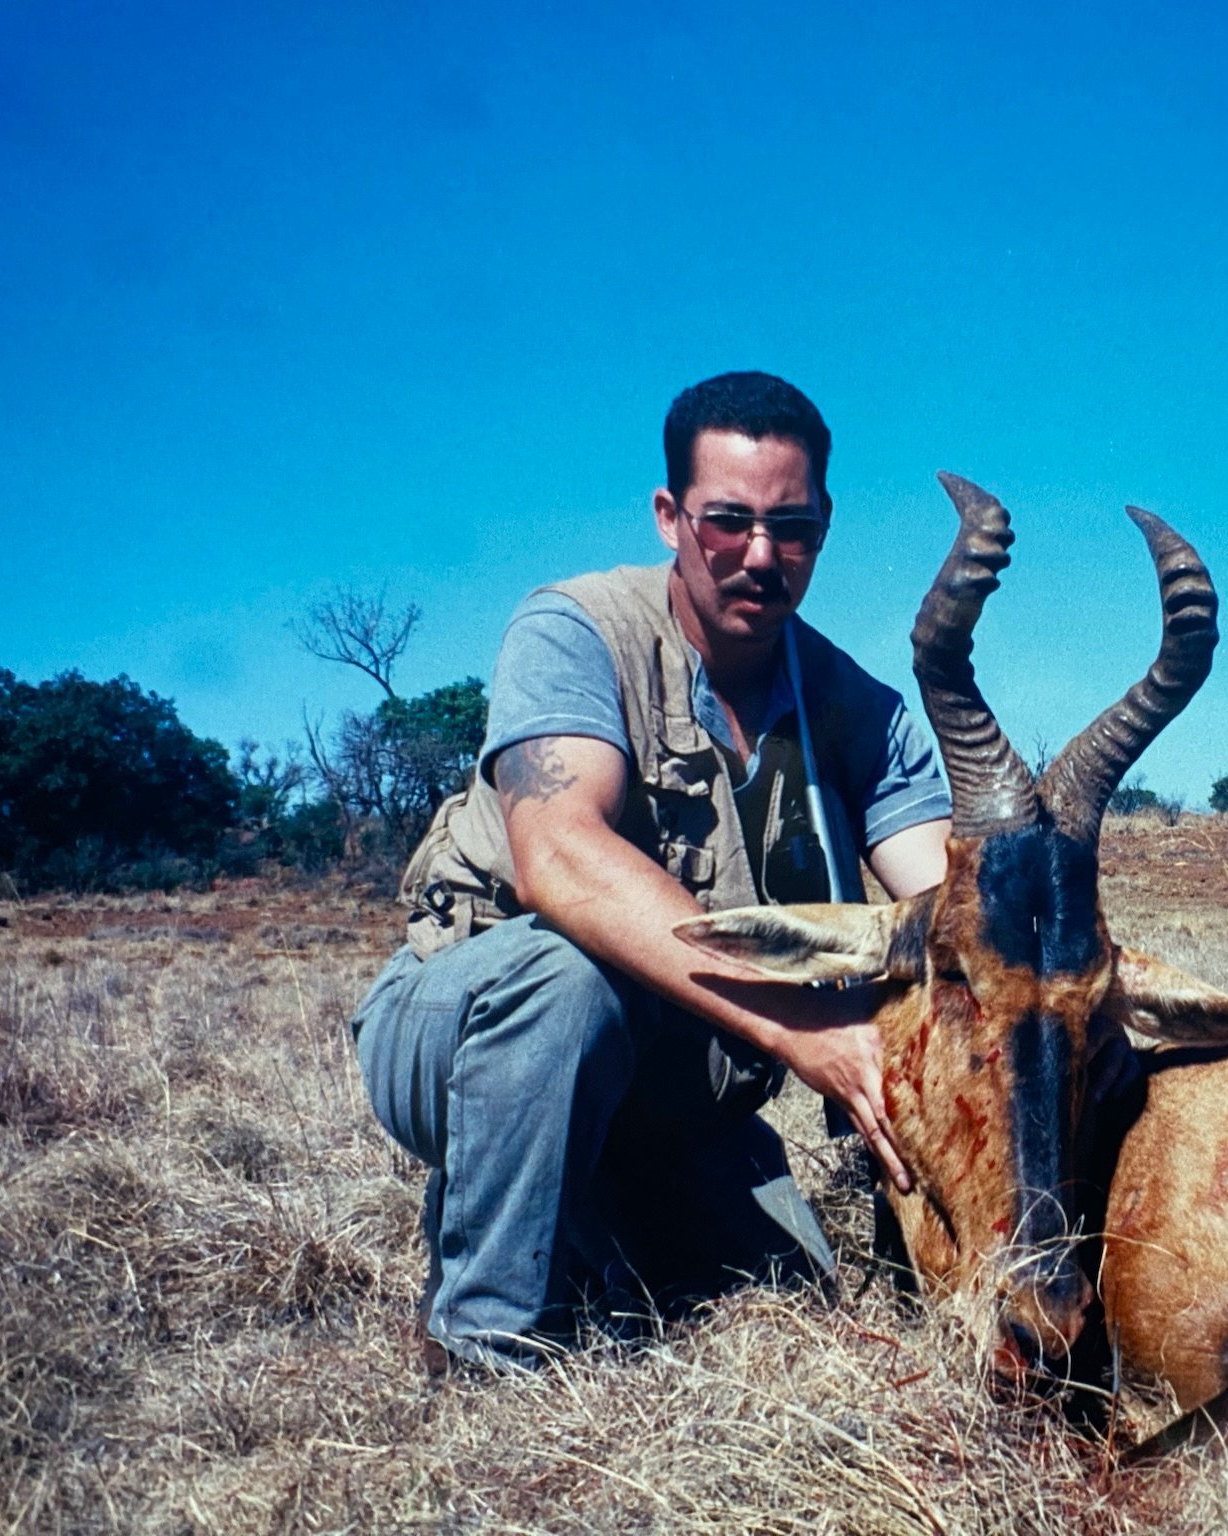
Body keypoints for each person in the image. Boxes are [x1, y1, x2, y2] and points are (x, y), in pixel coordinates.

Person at [349, 371, 952, 1370]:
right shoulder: (576, 629)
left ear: (824, 526)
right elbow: (559, 856)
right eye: (728, 522)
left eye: (790, 528)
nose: (760, 556)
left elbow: (942, 907)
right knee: (567, 980)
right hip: (470, 1032)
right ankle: (485, 1344)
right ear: (670, 516)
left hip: (683, 1095)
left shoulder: (864, 714)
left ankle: (586, 1206)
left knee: (794, 1300)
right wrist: (804, 1028)